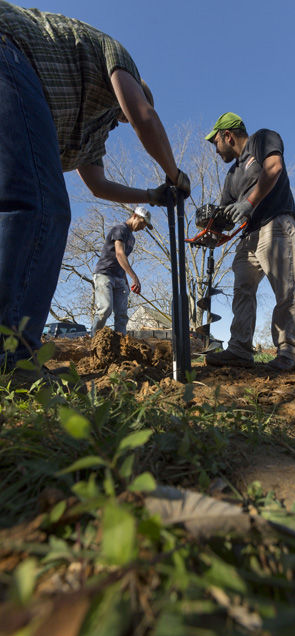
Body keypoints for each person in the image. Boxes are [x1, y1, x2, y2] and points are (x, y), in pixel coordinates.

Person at [0, 1, 190, 384]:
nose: (121, 118)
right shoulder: (118, 56)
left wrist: (152, 196)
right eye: (125, 108)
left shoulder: (94, 129)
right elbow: (143, 116)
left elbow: (97, 184)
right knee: (41, 208)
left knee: (32, 205)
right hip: (9, 49)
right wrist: (175, 175)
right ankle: (12, 361)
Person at [204, 112, 295, 372]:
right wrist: (209, 233)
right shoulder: (231, 174)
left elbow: (274, 168)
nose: (215, 150)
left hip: (275, 224)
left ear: (228, 135)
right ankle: (239, 349)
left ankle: (287, 350)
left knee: (285, 289)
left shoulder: (262, 139)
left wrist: (248, 202)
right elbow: (224, 216)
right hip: (248, 236)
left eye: (215, 143)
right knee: (242, 290)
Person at [92, 207, 152, 336]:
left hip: (119, 278)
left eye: (145, 225)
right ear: (134, 216)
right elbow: (119, 254)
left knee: (122, 314)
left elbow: (122, 261)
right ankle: (93, 340)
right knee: (105, 309)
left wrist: (126, 280)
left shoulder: (132, 239)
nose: (143, 227)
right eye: (142, 223)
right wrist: (134, 277)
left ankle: (120, 345)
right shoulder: (120, 229)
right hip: (104, 274)